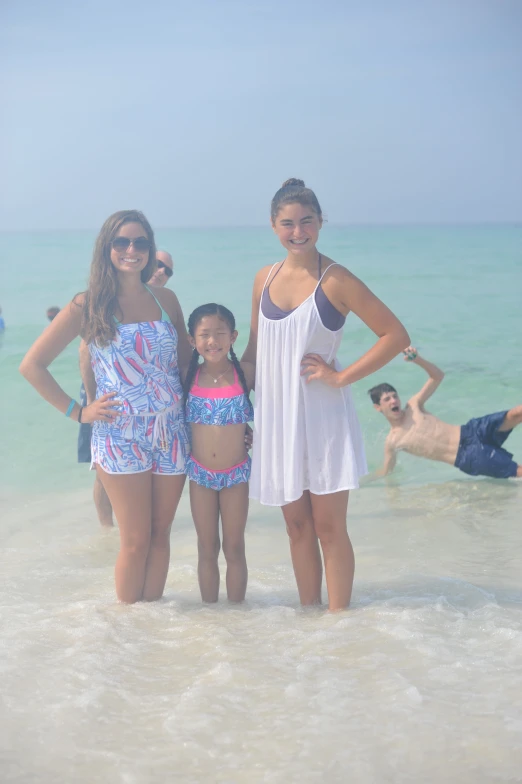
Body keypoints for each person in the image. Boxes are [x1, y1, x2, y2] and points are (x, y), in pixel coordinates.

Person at [242, 178, 410, 611]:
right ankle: (309, 621)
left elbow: (394, 335)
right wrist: (229, 409)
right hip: (277, 421)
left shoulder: (336, 280)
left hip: (323, 419)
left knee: (328, 529)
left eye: (307, 221)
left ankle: (340, 624)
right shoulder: (265, 277)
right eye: (287, 223)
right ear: (272, 226)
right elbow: (254, 355)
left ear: (321, 222)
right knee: (296, 528)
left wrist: (342, 377)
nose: (298, 231)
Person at [20, 210, 192, 603]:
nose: (131, 250)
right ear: (107, 247)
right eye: (122, 242)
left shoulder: (166, 299)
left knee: (160, 535)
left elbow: (185, 365)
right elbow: (32, 365)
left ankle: (152, 621)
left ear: (149, 250)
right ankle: (128, 633)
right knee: (134, 541)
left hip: (171, 432)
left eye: (140, 243)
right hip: (120, 435)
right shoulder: (88, 304)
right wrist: (78, 412)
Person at [76, 247, 175, 527]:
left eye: (167, 270)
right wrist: (90, 401)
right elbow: (86, 352)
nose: (161, 272)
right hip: (104, 393)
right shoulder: (105, 300)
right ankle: (106, 526)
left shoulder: (162, 302)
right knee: (102, 469)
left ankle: (134, 521)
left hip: (149, 406)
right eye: (158, 264)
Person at [184, 304, 255, 603]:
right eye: (204, 335)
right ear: (192, 341)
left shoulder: (245, 374)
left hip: (236, 473)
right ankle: (210, 616)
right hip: (200, 474)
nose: (212, 341)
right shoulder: (187, 375)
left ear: (233, 337)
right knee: (206, 546)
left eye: (220, 334)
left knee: (234, 547)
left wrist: (251, 432)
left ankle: (238, 615)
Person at [368, 346, 522, 479]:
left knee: (516, 413)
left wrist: (417, 359)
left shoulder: (413, 405)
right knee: (519, 471)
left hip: (471, 430)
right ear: (378, 407)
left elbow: (437, 376)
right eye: (387, 399)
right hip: (467, 456)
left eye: (395, 396)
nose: (393, 401)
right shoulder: (393, 442)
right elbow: (387, 472)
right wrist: (362, 483)